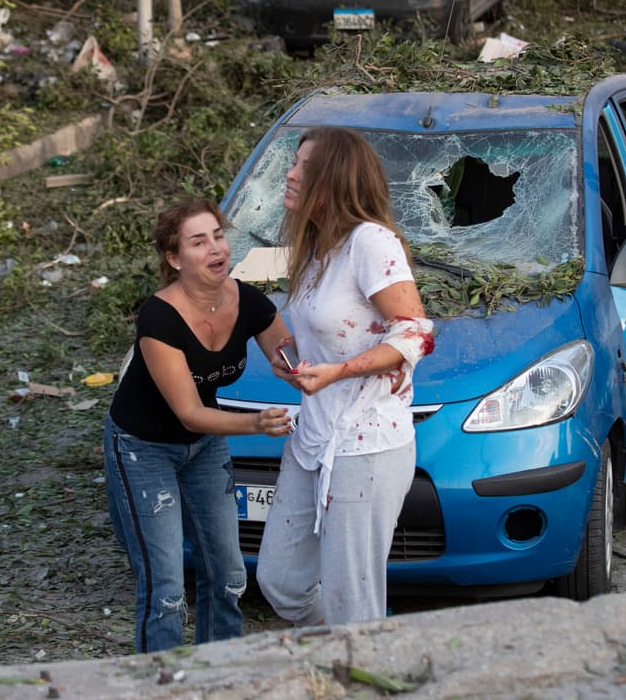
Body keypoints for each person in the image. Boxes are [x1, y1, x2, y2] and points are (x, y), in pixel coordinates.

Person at [256, 127, 434, 627]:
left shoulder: (370, 242)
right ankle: (349, 646)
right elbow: (329, 332)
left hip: (367, 445)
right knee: (280, 581)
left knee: (351, 602)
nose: (290, 173)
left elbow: (417, 333)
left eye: (303, 166)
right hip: (314, 439)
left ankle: (359, 663)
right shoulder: (316, 249)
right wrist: (290, 356)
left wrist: (339, 372)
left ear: (332, 179)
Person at [103, 197, 295, 653]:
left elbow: (290, 356)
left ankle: (219, 673)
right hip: (143, 450)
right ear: (174, 259)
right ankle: (165, 683)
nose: (216, 249)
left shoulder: (246, 299)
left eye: (218, 236)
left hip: (204, 447)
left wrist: (305, 365)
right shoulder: (159, 317)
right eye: (198, 241)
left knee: (229, 575)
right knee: (166, 589)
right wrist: (256, 423)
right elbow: (188, 412)